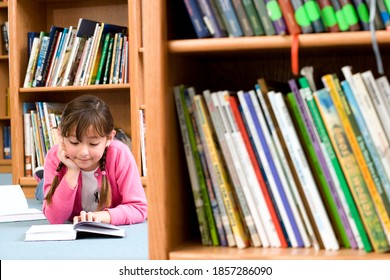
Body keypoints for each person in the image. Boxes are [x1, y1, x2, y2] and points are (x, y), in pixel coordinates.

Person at [41, 95, 147, 226]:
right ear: (60, 135)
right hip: (61, 173)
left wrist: (102, 216)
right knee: (42, 193)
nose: (83, 152)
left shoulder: (120, 154)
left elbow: (139, 208)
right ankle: (41, 181)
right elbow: (55, 219)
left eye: (93, 144)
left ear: (109, 138)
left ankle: (41, 181)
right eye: (74, 142)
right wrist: (72, 171)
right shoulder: (55, 156)